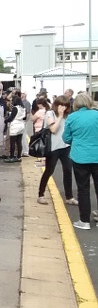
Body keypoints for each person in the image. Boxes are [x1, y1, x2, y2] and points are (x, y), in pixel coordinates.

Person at [63, 93, 98, 230]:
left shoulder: (72, 117)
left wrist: (77, 141)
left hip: (80, 157)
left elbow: (66, 138)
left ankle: (84, 221)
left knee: (83, 189)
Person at [37, 96, 76, 205]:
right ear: (56, 105)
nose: (63, 108)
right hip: (53, 148)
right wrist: (59, 116)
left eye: (65, 106)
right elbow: (53, 129)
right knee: (49, 171)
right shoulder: (50, 114)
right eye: (61, 105)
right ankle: (41, 194)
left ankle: (69, 197)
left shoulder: (68, 116)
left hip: (66, 146)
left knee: (68, 171)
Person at [4, 95, 26, 162]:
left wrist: (5, 120)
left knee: (12, 142)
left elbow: (11, 118)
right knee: (19, 142)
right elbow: (25, 118)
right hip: (21, 125)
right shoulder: (23, 108)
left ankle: (11, 157)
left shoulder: (15, 108)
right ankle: (19, 157)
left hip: (15, 125)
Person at [20, 92, 32, 156]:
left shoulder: (26, 103)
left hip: (23, 121)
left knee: (24, 136)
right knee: (22, 137)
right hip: (22, 121)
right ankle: (24, 150)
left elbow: (28, 113)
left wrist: (25, 120)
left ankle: (25, 151)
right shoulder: (22, 102)